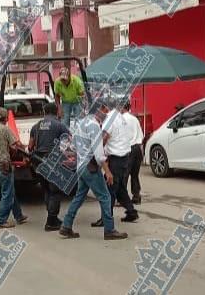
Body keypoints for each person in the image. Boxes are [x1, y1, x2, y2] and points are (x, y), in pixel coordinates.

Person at [59, 99, 128, 240]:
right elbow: (99, 154)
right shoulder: (95, 126)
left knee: (79, 197)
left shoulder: (81, 123)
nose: (107, 114)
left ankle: (66, 225)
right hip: (90, 167)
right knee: (105, 196)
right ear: (99, 110)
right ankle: (109, 230)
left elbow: (72, 146)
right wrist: (107, 171)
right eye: (105, 110)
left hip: (81, 166)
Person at [91, 100, 139, 226]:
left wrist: (97, 151)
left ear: (105, 108)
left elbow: (105, 137)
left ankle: (106, 218)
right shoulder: (121, 117)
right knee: (120, 188)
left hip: (116, 158)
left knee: (109, 190)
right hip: (124, 157)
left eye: (99, 110)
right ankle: (131, 212)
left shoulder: (110, 119)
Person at [28, 103, 70, 231]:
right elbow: (68, 142)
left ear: (44, 111)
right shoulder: (60, 125)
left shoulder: (36, 126)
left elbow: (30, 146)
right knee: (55, 191)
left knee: (46, 188)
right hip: (52, 160)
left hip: (38, 161)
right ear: (56, 111)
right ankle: (51, 221)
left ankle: (52, 217)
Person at [122, 102, 144, 204]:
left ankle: (122, 198)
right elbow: (141, 135)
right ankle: (136, 196)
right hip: (137, 149)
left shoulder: (121, 119)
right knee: (134, 175)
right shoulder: (135, 119)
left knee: (124, 175)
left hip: (128, 149)